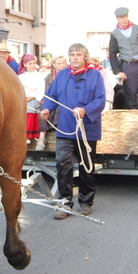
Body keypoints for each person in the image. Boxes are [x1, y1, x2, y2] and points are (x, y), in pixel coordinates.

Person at [40, 43, 106, 219]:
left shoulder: (95, 75)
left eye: (78, 54)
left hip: (87, 130)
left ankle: (85, 202)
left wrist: (85, 110)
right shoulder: (62, 75)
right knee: (63, 164)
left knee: (86, 167)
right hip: (65, 129)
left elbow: (101, 100)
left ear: (85, 57)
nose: (75, 57)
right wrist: (47, 109)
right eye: (72, 54)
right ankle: (65, 203)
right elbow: (51, 97)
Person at [108, 7, 138, 109]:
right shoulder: (115, 34)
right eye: (121, 17)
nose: (124, 19)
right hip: (128, 65)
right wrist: (118, 71)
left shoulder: (137, 28)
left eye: (125, 16)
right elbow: (112, 54)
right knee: (130, 93)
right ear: (117, 18)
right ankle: (132, 118)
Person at [18, 54, 46, 147]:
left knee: (31, 106)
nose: (33, 65)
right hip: (23, 98)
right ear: (25, 64)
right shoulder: (20, 77)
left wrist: (33, 96)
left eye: (34, 63)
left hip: (35, 98)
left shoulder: (40, 76)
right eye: (30, 63)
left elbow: (41, 89)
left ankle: (29, 135)